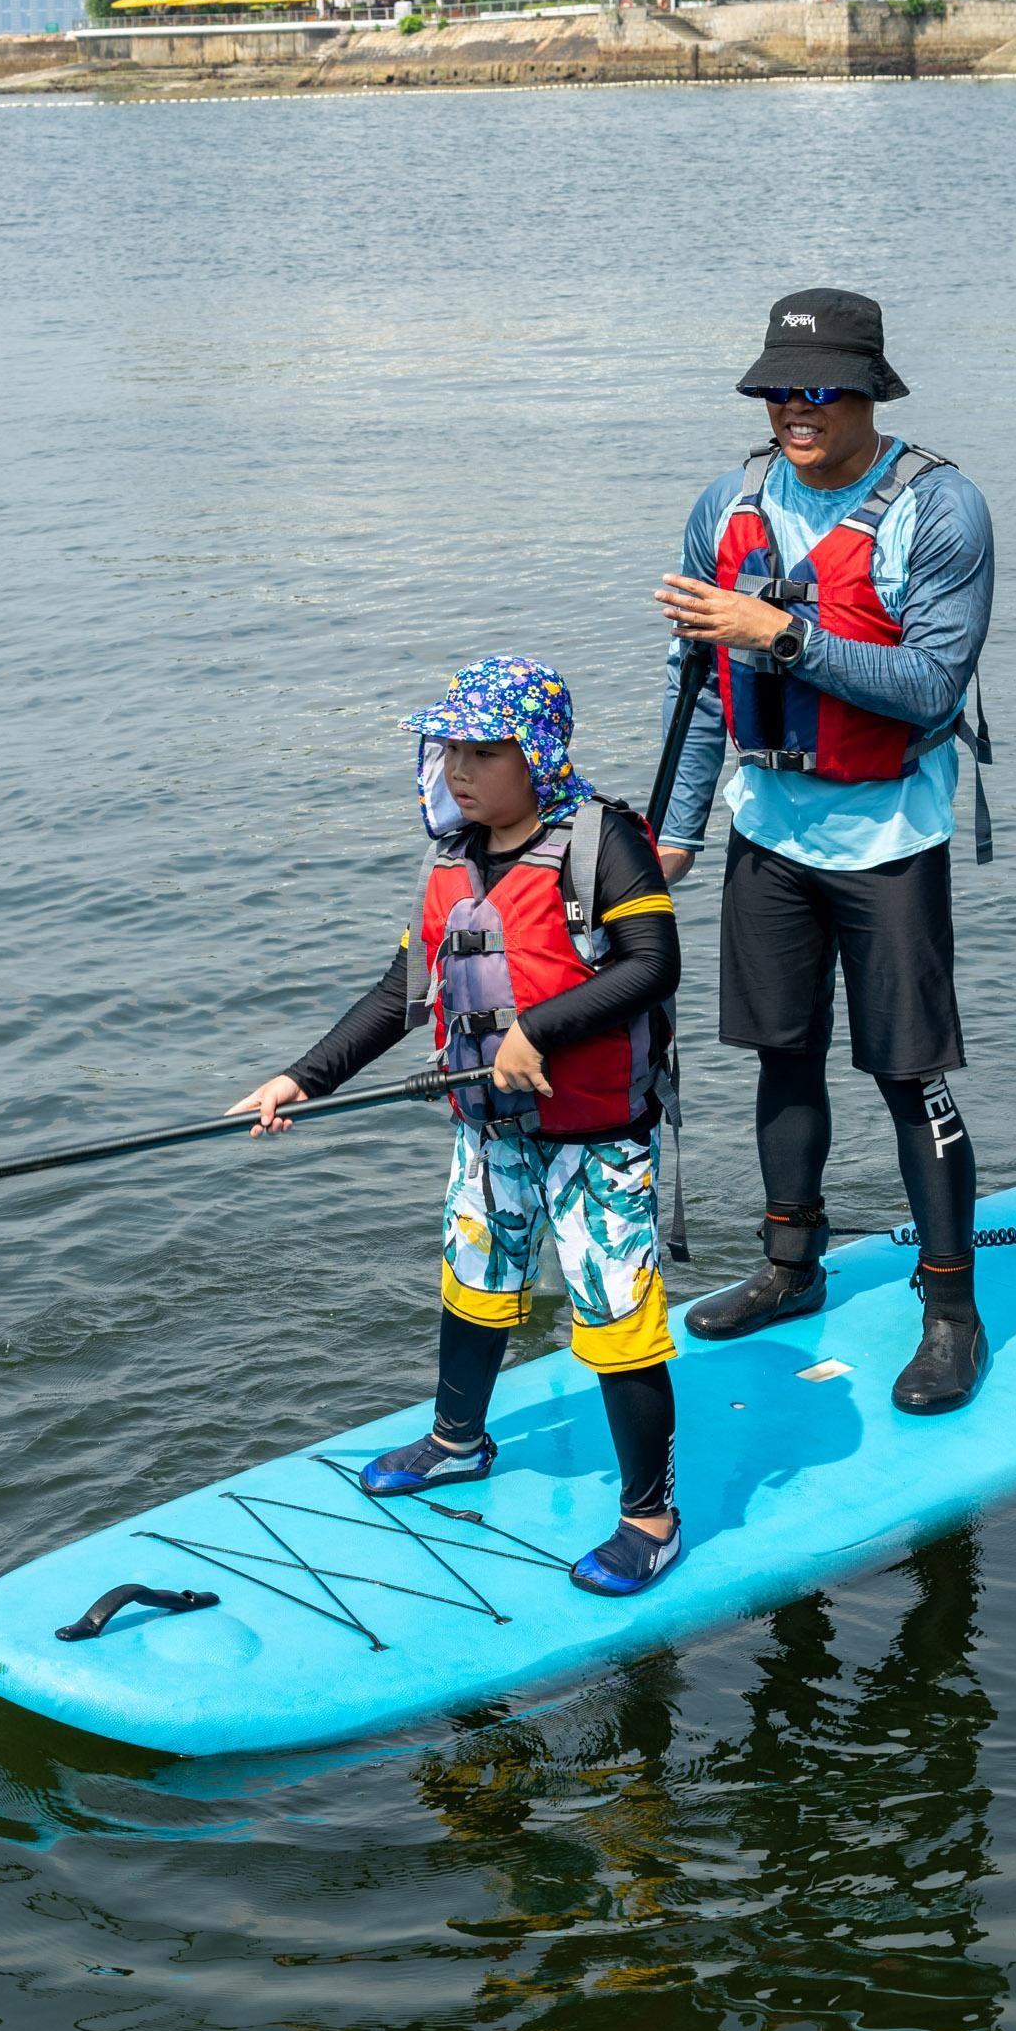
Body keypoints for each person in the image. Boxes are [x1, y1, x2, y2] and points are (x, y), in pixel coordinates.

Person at [232, 658, 690, 1597]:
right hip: (492, 1136)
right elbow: (401, 996)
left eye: (485, 750)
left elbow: (654, 963)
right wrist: (299, 1078)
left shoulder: (603, 843)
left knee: (616, 1323)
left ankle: (652, 1516)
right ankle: (456, 1440)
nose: (459, 770)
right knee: (474, 1283)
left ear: (538, 753)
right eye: (450, 750)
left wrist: (538, 1029)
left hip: (596, 1140)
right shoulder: (449, 861)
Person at [650, 288, 998, 1415]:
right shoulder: (728, 505)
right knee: (778, 1053)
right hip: (768, 833)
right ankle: (788, 1268)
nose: (793, 410)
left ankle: (950, 1310)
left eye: (817, 390)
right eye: (776, 389)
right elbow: (699, 689)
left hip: (889, 836)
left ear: (867, 392)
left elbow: (930, 683)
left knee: (906, 1074)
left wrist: (787, 634)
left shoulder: (940, 511)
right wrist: (677, 831)